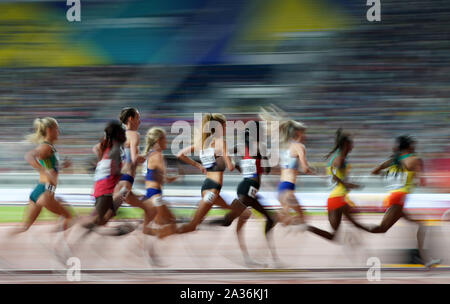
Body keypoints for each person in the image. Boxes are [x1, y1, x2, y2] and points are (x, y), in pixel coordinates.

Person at [208, 121, 279, 266]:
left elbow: (229, 157)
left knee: (240, 220)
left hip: (247, 188)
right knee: (230, 220)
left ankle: (250, 257)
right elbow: (267, 170)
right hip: (248, 190)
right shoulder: (260, 147)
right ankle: (200, 225)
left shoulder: (243, 148)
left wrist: (236, 163)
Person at [368, 135, 441, 267]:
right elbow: (422, 182)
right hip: (399, 198)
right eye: (413, 145)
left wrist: (388, 176)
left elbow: (373, 171)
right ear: (408, 146)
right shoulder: (414, 159)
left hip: (393, 197)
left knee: (421, 224)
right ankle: (355, 226)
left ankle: (426, 260)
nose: (415, 147)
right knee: (382, 229)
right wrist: (415, 178)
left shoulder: (392, 160)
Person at [176, 113, 251, 234]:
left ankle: (222, 222)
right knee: (192, 225)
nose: (226, 129)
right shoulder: (220, 142)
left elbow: (180, 154)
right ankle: (165, 232)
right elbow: (230, 167)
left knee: (245, 212)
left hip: (208, 189)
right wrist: (234, 162)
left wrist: (198, 165)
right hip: (212, 191)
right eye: (225, 126)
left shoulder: (202, 143)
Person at [10, 117, 74, 235]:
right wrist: (43, 171)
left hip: (39, 190)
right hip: (46, 190)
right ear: (50, 130)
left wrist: (61, 166)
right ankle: (58, 246)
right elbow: (29, 156)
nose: (58, 132)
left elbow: (51, 168)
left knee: (24, 227)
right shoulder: (46, 147)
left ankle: (5, 243)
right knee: (70, 218)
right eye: (56, 129)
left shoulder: (49, 147)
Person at [306, 129, 371, 240]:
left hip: (333, 199)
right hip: (338, 198)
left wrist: (348, 183)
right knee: (357, 224)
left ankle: (305, 227)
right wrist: (350, 185)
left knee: (333, 236)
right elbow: (335, 178)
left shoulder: (338, 158)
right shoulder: (339, 159)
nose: (353, 146)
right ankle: (376, 231)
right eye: (351, 143)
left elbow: (335, 176)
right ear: (346, 144)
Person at [259, 106, 314, 231]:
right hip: (288, 189)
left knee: (286, 220)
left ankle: (268, 228)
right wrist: (310, 170)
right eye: (304, 132)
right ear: (298, 133)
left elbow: (285, 168)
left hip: (281, 188)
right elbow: (304, 168)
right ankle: (270, 222)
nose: (305, 135)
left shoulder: (285, 147)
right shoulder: (300, 146)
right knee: (302, 218)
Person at [141, 127, 178, 238]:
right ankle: (157, 239)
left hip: (149, 194)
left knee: (149, 227)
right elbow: (165, 178)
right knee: (171, 223)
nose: (166, 142)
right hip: (155, 196)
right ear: (158, 140)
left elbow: (149, 176)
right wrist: (176, 177)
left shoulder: (148, 155)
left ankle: (147, 250)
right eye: (165, 139)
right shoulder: (158, 155)